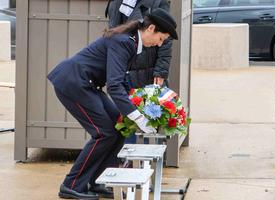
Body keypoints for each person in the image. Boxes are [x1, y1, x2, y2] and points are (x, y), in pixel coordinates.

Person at [47, 8, 178, 200]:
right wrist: (138, 117)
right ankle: (71, 184)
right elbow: (115, 86)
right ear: (151, 29)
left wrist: (138, 103)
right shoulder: (125, 42)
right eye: (161, 39)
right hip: (74, 82)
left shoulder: (132, 42)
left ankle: (100, 181)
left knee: (118, 128)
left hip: (88, 85)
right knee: (103, 133)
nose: (160, 44)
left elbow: (120, 81)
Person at [106, 0, 173, 144]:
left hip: (149, 73)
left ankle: (147, 161)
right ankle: (127, 161)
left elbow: (166, 38)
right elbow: (113, 32)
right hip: (126, 70)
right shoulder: (118, 2)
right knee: (127, 118)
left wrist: (161, 71)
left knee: (150, 118)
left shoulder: (159, 1)